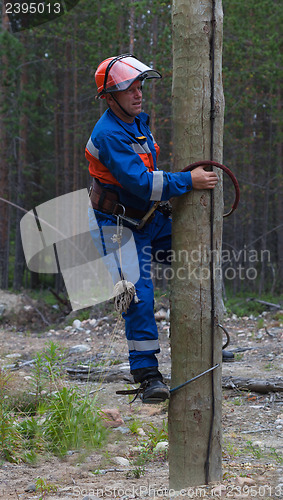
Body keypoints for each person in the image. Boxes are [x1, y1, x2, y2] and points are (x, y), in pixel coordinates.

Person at [85, 54, 218, 404]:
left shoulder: (137, 122)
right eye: (129, 89)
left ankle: (205, 341)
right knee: (137, 296)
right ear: (109, 97)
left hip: (147, 219)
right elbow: (142, 184)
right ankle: (147, 376)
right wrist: (188, 180)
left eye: (140, 86)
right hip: (116, 226)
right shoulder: (110, 133)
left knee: (198, 257)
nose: (138, 93)